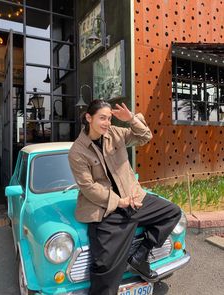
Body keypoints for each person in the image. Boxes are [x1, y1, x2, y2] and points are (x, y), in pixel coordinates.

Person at [69, 99, 181, 295]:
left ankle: (140, 256)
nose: (107, 123)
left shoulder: (115, 134)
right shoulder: (77, 151)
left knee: (172, 212)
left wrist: (131, 118)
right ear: (89, 118)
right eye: (102, 118)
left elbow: (145, 136)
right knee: (104, 267)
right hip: (106, 209)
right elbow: (89, 188)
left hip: (135, 199)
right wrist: (119, 202)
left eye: (109, 118)